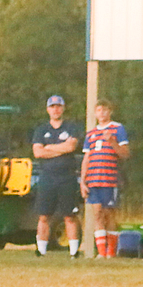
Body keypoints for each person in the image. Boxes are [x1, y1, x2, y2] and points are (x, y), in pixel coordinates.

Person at [31, 94, 83, 257]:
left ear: (63, 108)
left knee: (69, 215)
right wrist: (60, 148)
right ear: (48, 109)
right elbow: (38, 152)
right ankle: (41, 250)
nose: (55, 110)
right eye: (52, 107)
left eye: (58, 106)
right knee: (44, 215)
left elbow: (71, 147)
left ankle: (74, 251)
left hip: (67, 177)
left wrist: (49, 148)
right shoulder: (41, 130)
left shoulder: (71, 127)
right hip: (47, 177)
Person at [79, 98, 129, 258]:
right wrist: (82, 181)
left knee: (109, 214)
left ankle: (111, 251)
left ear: (110, 111)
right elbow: (86, 158)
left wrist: (112, 142)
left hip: (110, 179)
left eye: (105, 110)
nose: (102, 113)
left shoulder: (117, 129)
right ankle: (101, 252)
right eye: (99, 110)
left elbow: (125, 153)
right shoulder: (91, 134)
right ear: (95, 113)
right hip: (93, 179)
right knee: (97, 213)